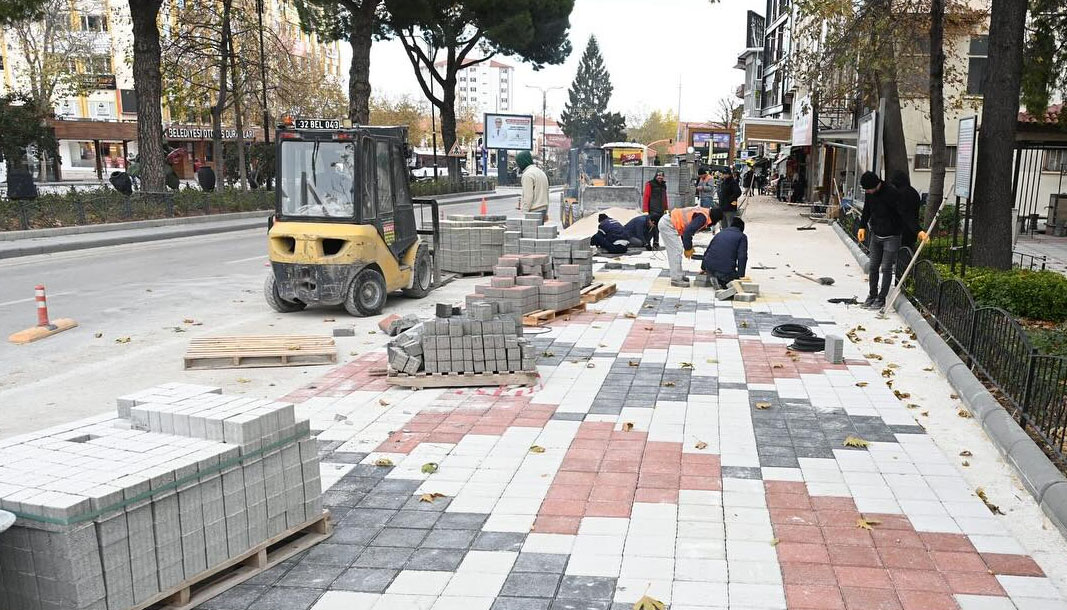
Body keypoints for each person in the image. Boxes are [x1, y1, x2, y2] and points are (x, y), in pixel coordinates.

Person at [858, 171, 926, 310]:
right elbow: (867, 210)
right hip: (876, 234)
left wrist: (918, 230)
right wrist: (862, 226)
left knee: (886, 268)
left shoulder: (892, 193)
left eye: (869, 189)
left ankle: (881, 298)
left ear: (876, 184)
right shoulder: (870, 194)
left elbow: (905, 214)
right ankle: (872, 295)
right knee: (873, 267)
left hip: (892, 236)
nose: (868, 192)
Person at [658, 205, 722, 287]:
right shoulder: (702, 218)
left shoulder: (704, 213)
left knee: (677, 250)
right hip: (668, 224)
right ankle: (676, 279)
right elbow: (687, 233)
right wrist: (688, 248)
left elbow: (684, 228)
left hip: (669, 221)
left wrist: (687, 246)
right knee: (676, 251)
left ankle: (678, 275)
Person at [701, 217, 748, 288]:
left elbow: (707, 251)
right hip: (724, 270)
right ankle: (721, 282)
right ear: (741, 229)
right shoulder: (742, 236)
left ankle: (714, 276)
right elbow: (742, 256)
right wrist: (741, 275)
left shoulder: (720, 233)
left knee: (720, 270)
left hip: (709, 268)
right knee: (732, 280)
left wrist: (703, 268)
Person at [889, 170, 922, 251]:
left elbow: (901, 211)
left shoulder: (899, 193)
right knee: (908, 250)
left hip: (900, 230)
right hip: (911, 229)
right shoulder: (913, 192)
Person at [517, 150, 549, 222]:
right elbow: (546, 194)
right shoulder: (541, 172)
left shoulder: (528, 175)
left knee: (530, 229)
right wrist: (546, 212)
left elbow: (528, 196)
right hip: (543, 209)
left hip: (534, 211)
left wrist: (524, 213)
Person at [642, 169, 669, 249]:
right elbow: (646, 196)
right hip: (652, 209)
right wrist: (645, 210)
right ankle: (647, 242)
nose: (660, 177)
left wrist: (666, 208)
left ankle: (656, 242)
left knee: (658, 227)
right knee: (651, 227)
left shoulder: (663, 185)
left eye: (662, 176)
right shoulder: (650, 184)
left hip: (661, 210)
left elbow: (665, 197)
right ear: (656, 176)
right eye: (659, 175)